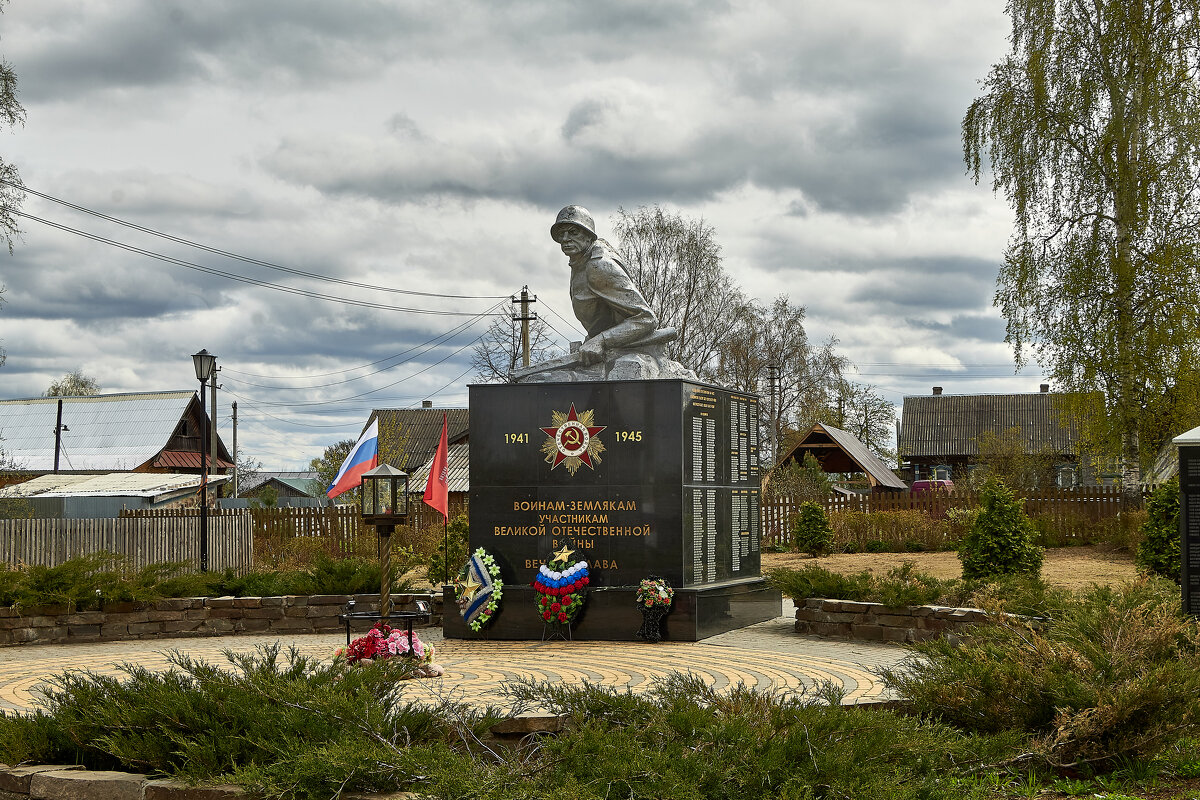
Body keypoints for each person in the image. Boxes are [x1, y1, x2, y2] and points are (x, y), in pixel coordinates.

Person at [551, 205, 659, 366]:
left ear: (588, 236)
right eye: (561, 234)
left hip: (626, 354)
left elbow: (647, 318)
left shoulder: (598, 267)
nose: (565, 239)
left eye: (573, 232)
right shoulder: (579, 261)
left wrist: (601, 341)